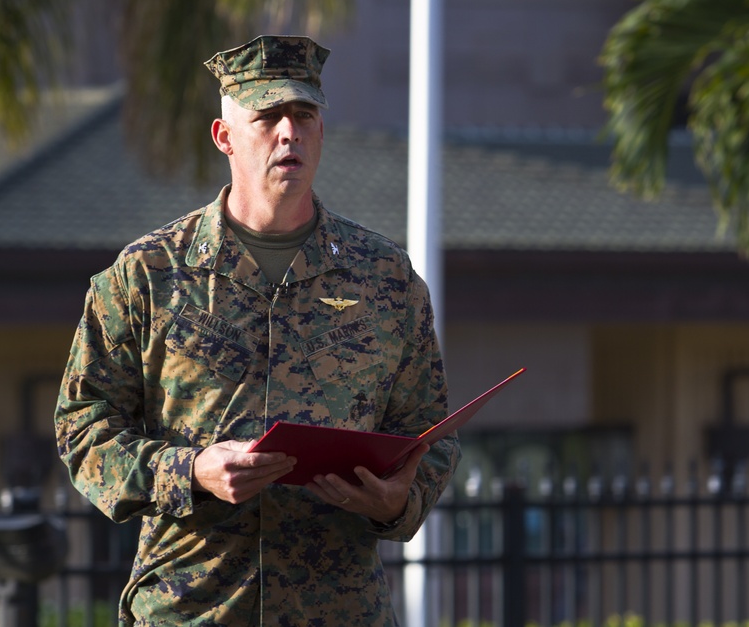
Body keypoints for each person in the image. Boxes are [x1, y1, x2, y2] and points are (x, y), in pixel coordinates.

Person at [55, 34, 460, 626]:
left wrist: (401, 498)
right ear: (225, 137)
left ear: (321, 130)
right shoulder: (147, 275)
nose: (288, 132)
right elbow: (81, 428)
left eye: (304, 115)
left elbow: (430, 432)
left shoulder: (386, 278)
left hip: (338, 609)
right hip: (193, 609)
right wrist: (191, 470)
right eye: (268, 117)